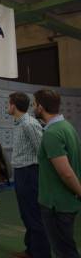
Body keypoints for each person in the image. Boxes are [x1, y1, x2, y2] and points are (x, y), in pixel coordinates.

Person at [33, 89, 81, 258]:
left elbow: (66, 173)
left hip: (56, 205)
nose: (33, 107)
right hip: (66, 202)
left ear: (40, 107)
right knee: (67, 247)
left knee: (64, 252)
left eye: (34, 104)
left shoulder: (52, 134)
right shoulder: (67, 126)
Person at [8, 92, 51, 258]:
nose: (7, 107)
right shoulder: (19, 123)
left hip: (29, 172)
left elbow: (42, 150)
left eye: (8, 103)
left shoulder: (29, 124)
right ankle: (31, 250)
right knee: (26, 214)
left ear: (13, 105)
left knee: (33, 214)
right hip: (21, 172)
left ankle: (41, 253)